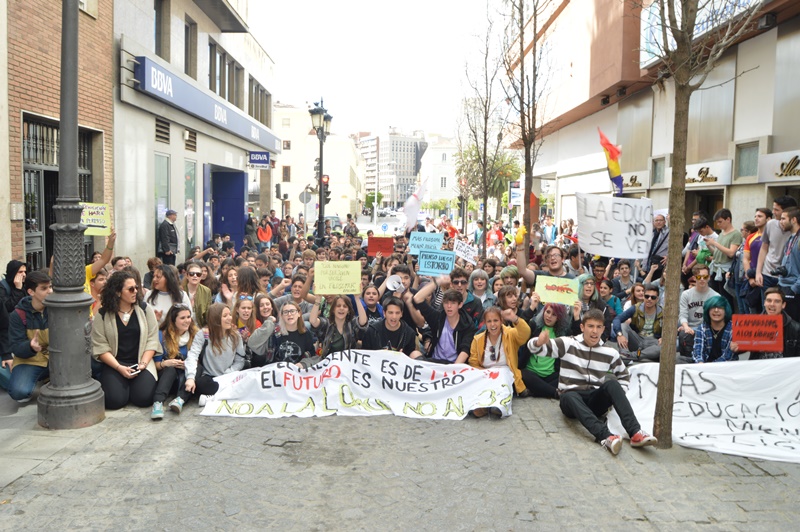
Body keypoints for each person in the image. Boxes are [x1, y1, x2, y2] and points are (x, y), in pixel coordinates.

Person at [527, 309, 658, 455]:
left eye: (598, 327)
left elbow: (624, 376)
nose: (594, 331)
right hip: (571, 399)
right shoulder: (568, 343)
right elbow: (536, 349)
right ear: (582, 327)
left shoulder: (609, 352)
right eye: (590, 326)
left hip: (594, 399)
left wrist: (619, 396)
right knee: (568, 396)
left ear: (603, 329)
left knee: (612, 384)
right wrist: (538, 342)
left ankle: (635, 432)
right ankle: (605, 436)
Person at [92, 272, 160, 410]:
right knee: (114, 401)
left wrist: (143, 364)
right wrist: (118, 367)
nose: (135, 291)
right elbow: (100, 346)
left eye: (136, 287)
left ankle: (132, 387)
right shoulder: (103, 314)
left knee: (144, 399)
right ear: (117, 292)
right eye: (130, 289)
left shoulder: (144, 309)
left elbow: (152, 339)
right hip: (115, 363)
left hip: (141, 361)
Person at [468, 306, 531, 416]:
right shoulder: (477, 340)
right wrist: (485, 373)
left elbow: (525, 334)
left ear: (501, 321)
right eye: (489, 321)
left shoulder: (510, 334)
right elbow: (473, 362)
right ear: (485, 323)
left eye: (496, 320)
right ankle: (483, 406)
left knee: (503, 381)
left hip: (505, 372)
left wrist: (514, 318)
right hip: (486, 374)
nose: (493, 325)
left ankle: (500, 406)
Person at [184, 303, 246, 406]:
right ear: (215, 319)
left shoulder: (236, 335)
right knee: (200, 384)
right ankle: (224, 394)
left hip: (229, 375)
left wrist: (230, 372)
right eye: (225, 316)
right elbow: (192, 356)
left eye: (230, 314)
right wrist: (190, 377)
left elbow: (240, 359)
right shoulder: (203, 334)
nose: (229, 318)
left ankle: (213, 398)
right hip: (210, 377)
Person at [151, 304, 205, 419]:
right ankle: (158, 403)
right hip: (167, 378)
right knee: (170, 369)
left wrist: (187, 365)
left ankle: (180, 400)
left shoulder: (196, 334)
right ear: (173, 320)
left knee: (197, 368)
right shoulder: (162, 335)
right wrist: (165, 363)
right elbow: (154, 365)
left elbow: (201, 361)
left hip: (187, 379)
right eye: (182, 318)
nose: (187, 321)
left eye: (188, 317)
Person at [6, 271, 52, 402]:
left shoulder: (57, 308)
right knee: (18, 392)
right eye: (44, 288)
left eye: (50, 287)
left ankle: (49, 377)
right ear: (31, 292)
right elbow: (15, 346)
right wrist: (30, 347)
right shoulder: (18, 314)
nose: (50, 291)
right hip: (31, 360)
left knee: (93, 366)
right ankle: (42, 378)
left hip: (56, 358)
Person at [412, 277, 476, 364]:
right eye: (446, 303)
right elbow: (417, 298)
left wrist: (453, 370)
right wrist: (438, 281)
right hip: (434, 362)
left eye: (453, 303)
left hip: (454, 365)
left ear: (460, 305)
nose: (449, 306)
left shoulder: (468, 324)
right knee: (414, 355)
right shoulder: (438, 317)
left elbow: (465, 350)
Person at [518, 303, 569, 399]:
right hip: (531, 373)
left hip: (550, 375)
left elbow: (579, 337)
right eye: (548, 312)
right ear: (543, 312)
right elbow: (520, 324)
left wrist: (577, 316)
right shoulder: (534, 326)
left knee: (567, 376)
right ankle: (554, 393)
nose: (549, 316)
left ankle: (537, 390)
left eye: (554, 314)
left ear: (559, 317)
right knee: (522, 374)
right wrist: (532, 306)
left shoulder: (563, 334)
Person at [756, 195, 798, 298]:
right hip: (768, 274)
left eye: (776, 210)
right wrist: (758, 272)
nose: (773, 212)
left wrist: (794, 288)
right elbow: (764, 247)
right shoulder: (770, 224)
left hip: (789, 281)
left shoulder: (794, 233)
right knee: (768, 309)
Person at [612, 283, 664, 362]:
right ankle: (625, 353)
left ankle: (632, 356)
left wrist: (664, 337)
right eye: (647, 296)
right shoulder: (636, 308)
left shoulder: (663, 312)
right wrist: (619, 334)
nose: (649, 299)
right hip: (637, 340)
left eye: (653, 297)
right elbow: (617, 319)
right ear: (643, 296)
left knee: (663, 347)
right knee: (623, 326)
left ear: (657, 299)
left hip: (653, 343)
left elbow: (672, 329)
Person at [678, 263, 720, 358]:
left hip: (708, 328)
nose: (702, 279)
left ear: (709, 277)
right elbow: (683, 314)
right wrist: (686, 326)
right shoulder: (686, 294)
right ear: (694, 277)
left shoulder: (716, 296)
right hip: (691, 327)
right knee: (684, 335)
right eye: (699, 276)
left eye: (705, 276)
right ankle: (688, 360)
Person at [681, 296, 737, 364]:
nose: (716, 310)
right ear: (708, 311)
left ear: (726, 311)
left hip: (725, 366)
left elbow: (728, 357)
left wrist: (709, 367)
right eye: (713, 308)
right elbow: (698, 350)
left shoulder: (733, 328)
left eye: (720, 308)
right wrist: (700, 362)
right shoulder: (702, 328)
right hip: (703, 366)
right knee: (679, 359)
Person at [705, 208, 742, 309]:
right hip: (716, 269)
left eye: (720, 222)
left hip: (725, 271)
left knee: (726, 299)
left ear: (728, 219)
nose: (718, 224)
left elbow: (731, 253)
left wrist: (715, 243)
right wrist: (709, 245)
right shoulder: (721, 233)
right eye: (717, 222)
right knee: (716, 297)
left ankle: (728, 320)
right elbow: (717, 253)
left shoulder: (736, 234)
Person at [751, 287, 800, 359]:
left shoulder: (795, 329)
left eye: (777, 301)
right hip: (759, 368)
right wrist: (737, 348)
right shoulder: (752, 324)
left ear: (783, 305)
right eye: (769, 300)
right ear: (764, 303)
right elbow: (744, 346)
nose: (772, 304)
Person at [182, 262, 212, 328]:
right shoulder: (180, 290)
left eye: (198, 274)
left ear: (201, 277)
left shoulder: (206, 291)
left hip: (200, 327)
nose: (195, 276)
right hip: (182, 327)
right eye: (191, 274)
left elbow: (208, 313)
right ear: (187, 275)